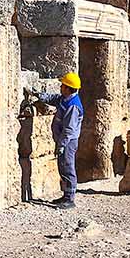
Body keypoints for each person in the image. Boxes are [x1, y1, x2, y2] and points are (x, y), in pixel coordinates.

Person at [36, 72, 83, 209]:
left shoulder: (73, 106)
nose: (61, 87)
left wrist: (61, 145)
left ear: (68, 88)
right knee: (63, 167)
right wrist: (39, 95)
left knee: (67, 167)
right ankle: (65, 196)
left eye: (63, 85)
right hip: (64, 141)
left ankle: (70, 199)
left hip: (68, 142)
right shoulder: (65, 98)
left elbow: (68, 129)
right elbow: (54, 98)